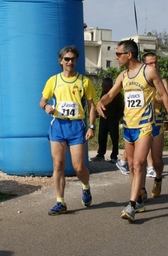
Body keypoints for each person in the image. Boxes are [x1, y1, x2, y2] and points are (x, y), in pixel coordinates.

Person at [97, 40, 168, 222]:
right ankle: (140, 198)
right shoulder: (123, 76)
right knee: (132, 165)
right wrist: (101, 102)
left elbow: (164, 95)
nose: (116, 57)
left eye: (118, 54)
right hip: (128, 125)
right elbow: (111, 94)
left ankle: (131, 204)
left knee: (140, 163)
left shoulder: (148, 71)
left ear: (129, 54)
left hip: (145, 124)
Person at [39, 45, 97, 216]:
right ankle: (60, 202)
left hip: (76, 126)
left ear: (76, 61)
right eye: (67, 59)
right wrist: (47, 106)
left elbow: (92, 106)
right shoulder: (54, 80)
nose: (70, 62)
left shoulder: (84, 81)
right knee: (58, 164)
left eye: (73, 59)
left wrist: (92, 126)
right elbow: (42, 101)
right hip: (58, 125)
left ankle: (85, 187)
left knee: (79, 167)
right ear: (61, 61)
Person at [142, 52, 168, 199]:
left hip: (157, 122)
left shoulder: (162, 81)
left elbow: (166, 99)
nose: (154, 66)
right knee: (139, 159)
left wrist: (152, 98)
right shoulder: (140, 80)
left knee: (158, 159)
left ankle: (158, 179)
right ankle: (141, 189)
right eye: (150, 63)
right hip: (141, 122)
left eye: (155, 63)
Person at [90, 76, 123, 163]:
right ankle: (101, 154)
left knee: (114, 138)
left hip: (113, 120)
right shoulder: (103, 93)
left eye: (103, 84)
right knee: (101, 137)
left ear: (109, 85)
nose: (102, 86)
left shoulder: (117, 94)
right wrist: (97, 113)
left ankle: (114, 156)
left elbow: (121, 107)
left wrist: (117, 118)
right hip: (103, 120)